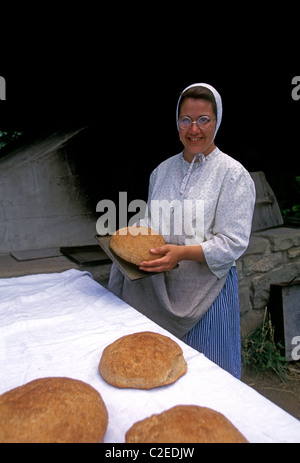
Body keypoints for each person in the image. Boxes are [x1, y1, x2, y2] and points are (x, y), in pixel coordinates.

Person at [108, 83, 256, 379]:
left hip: (206, 294)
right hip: (159, 288)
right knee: (160, 369)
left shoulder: (233, 175)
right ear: (177, 122)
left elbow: (232, 243)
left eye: (204, 120)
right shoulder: (161, 171)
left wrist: (182, 253)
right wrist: (133, 234)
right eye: (186, 120)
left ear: (217, 121)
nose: (194, 129)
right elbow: (153, 224)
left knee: (208, 376)